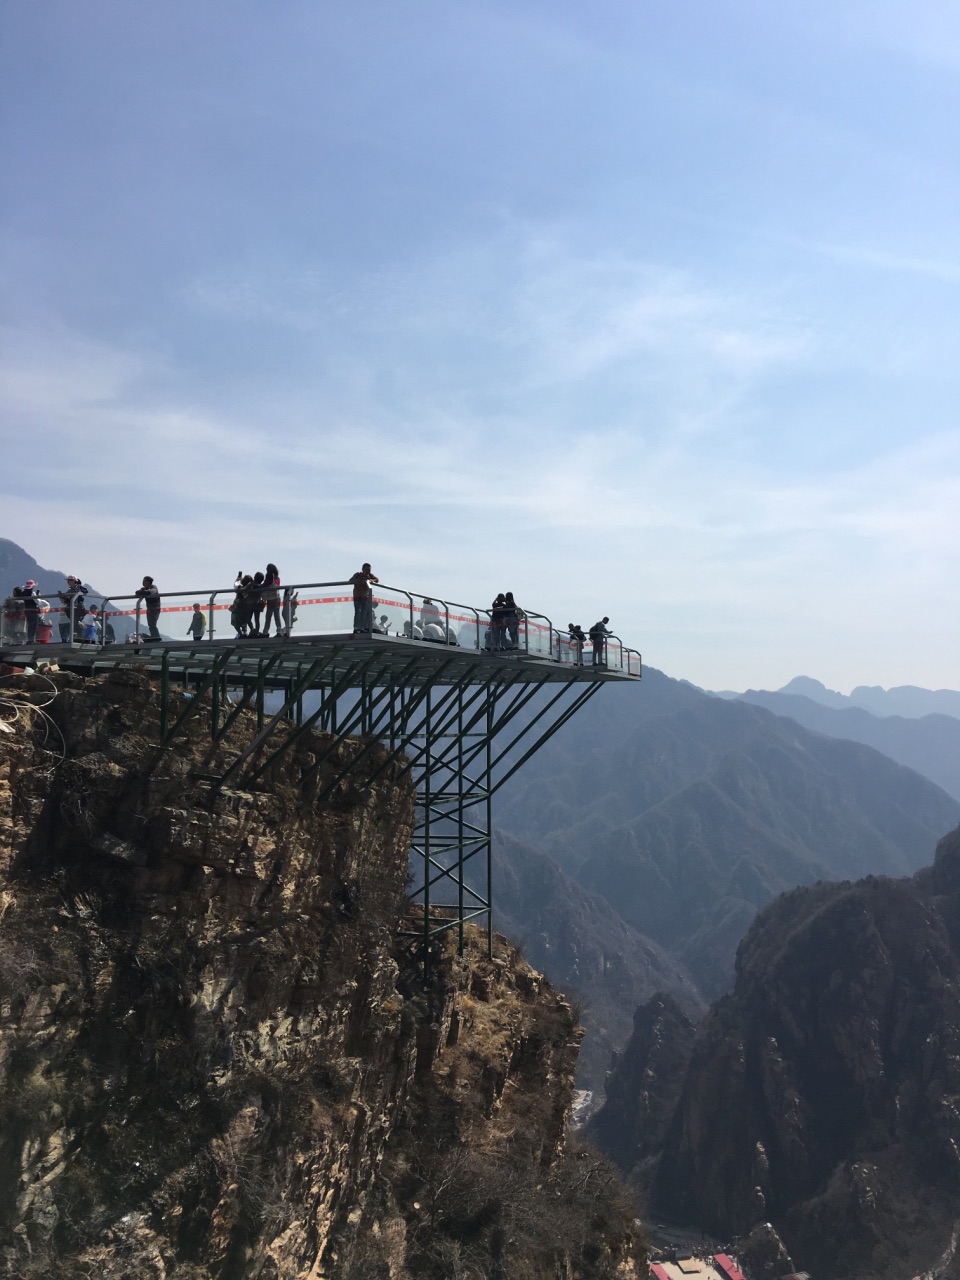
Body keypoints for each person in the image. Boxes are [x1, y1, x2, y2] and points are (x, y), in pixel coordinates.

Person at [350, 563, 379, 633]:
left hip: (365, 597)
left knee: (364, 613)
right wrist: (359, 582)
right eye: (366, 570)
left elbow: (377, 580)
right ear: (362, 569)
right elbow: (351, 580)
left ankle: (363, 627)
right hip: (357, 596)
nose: (368, 571)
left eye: (369, 570)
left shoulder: (370, 576)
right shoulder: (358, 574)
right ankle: (356, 627)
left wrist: (370, 581)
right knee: (358, 612)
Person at [58, 576, 86, 643]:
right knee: (74, 624)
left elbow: (85, 591)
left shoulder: (79, 587)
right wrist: (61, 596)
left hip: (77, 609)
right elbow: (65, 601)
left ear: (74, 581)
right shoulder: (69, 590)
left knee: (75, 624)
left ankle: (79, 638)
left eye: (70, 580)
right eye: (68, 580)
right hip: (70, 609)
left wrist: (80, 592)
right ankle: (76, 639)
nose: (68, 582)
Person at [136, 576, 162, 641]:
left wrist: (143, 592)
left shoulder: (154, 588)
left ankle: (156, 637)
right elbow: (137, 592)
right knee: (150, 624)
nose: (142, 582)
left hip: (155, 609)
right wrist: (142, 591)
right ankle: (154, 637)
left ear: (148, 582)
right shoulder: (144, 589)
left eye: (144, 581)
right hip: (150, 609)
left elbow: (149, 592)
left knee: (152, 624)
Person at [262, 564, 282, 636]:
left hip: (270, 599)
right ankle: (279, 630)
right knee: (277, 615)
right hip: (277, 598)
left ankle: (265, 631)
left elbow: (264, 585)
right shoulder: (277, 578)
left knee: (268, 615)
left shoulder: (269, 578)